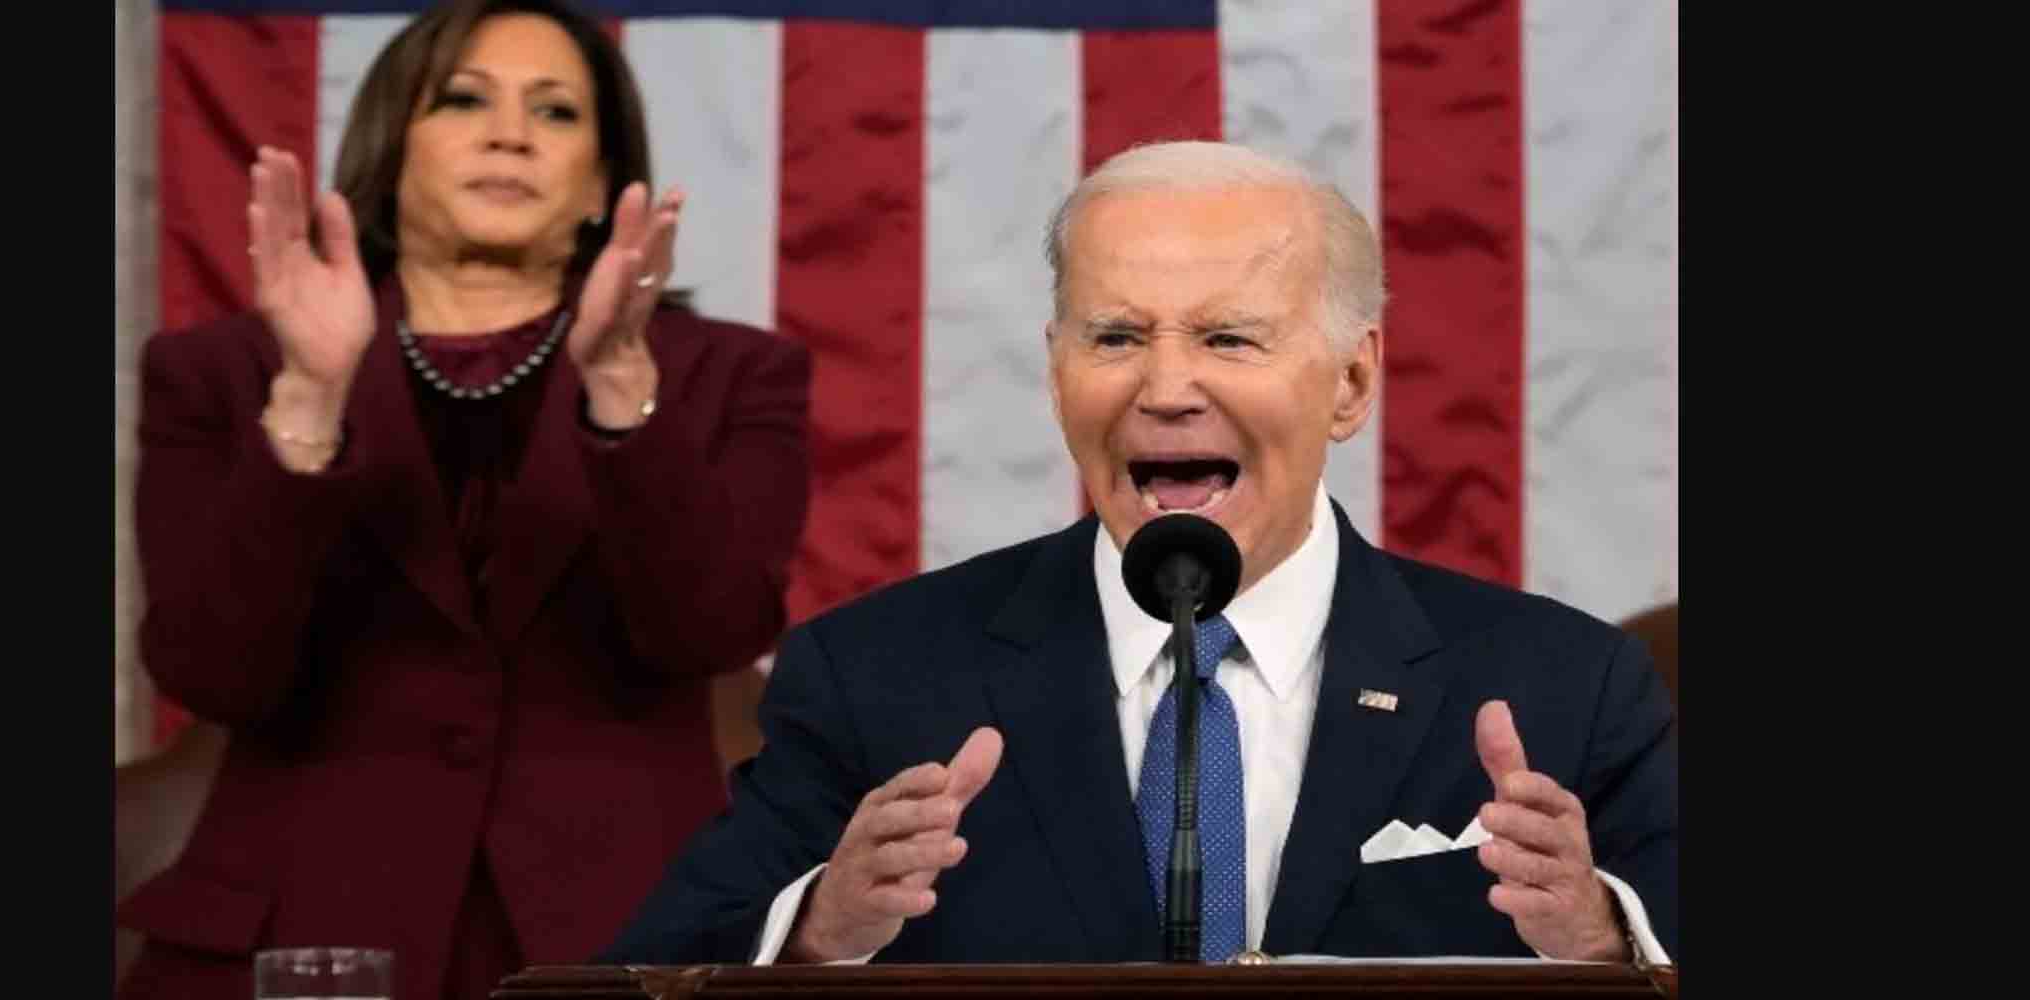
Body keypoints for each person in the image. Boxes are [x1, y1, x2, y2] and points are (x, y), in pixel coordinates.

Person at [600, 141, 1675, 968]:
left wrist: (1601, 939)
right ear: (1057, 371)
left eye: (1227, 337)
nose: (1164, 387)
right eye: (1115, 337)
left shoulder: (1563, 691)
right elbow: (650, 971)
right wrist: (818, 930)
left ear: (1351, 382)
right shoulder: (877, 678)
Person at [113, 2, 812, 998]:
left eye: (558, 111)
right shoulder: (221, 372)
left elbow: (707, 634)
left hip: (618, 940)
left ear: (605, 173)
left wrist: (620, 388)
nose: (510, 132)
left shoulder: (732, 374)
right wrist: (309, 399)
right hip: (305, 934)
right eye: (464, 99)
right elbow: (216, 674)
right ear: (394, 139)